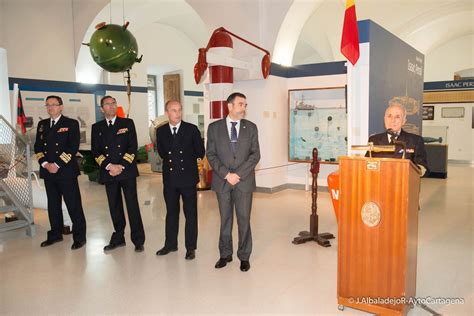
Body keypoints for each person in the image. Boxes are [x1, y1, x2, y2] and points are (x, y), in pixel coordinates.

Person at [206, 92, 260, 272]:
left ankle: (244, 256)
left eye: (245, 105)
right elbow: (211, 154)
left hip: (243, 182)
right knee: (225, 219)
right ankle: (225, 254)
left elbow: (255, 155)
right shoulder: (214, 128)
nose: (244, 108)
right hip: (223, 181)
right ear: (229, 106)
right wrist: (226, 174)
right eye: (241, 104)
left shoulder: (251, 127)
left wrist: (238, 174)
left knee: (244, 219)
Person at [91, 96, 145, 252]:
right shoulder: (97, 127)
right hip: (109, 173)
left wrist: (121, 166)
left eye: (113, 103)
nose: (111, 106)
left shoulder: (127, 123)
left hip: (126, 171)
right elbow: (96, 151)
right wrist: (109, 166)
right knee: (114, 206)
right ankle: (119, 238)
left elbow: (132, 147)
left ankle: (138, 240)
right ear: (102, 109)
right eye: (107, 104)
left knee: (132, 205)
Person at [34, 95, 87, 250]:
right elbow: (38, 147)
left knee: (73, 205)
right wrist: (45, 163)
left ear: (61, 107)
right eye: (48, 105)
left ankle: (79, 237)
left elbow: (72, 147)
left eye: (54, 105)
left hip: (66, 171)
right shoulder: (42, 125)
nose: (51, 107)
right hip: (48, 172)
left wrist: (56, 164)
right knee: (53, 205)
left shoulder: (71, 123)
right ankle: (55, 234)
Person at [155, 100, 205, 260]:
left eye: (179, 110)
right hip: (170, 179)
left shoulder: (191, 129)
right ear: (167, 113)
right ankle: (170, 244)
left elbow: (200, 151)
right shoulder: (161, 131)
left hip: (188, 178)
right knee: (171, 212)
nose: (177, 113)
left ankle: (190, 247)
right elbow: (162, 153)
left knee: (190, 214)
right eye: (173, 110)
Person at [367, 102, 428, 175]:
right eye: (389, 116)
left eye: (397, 117)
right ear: (384, 119)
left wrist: (411, 170)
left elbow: (423, 168)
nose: (393, 120)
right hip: (378, 182)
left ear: (404, 121)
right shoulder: (374, 139)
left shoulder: (415, 140)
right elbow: (367, 163)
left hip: (403, 183)